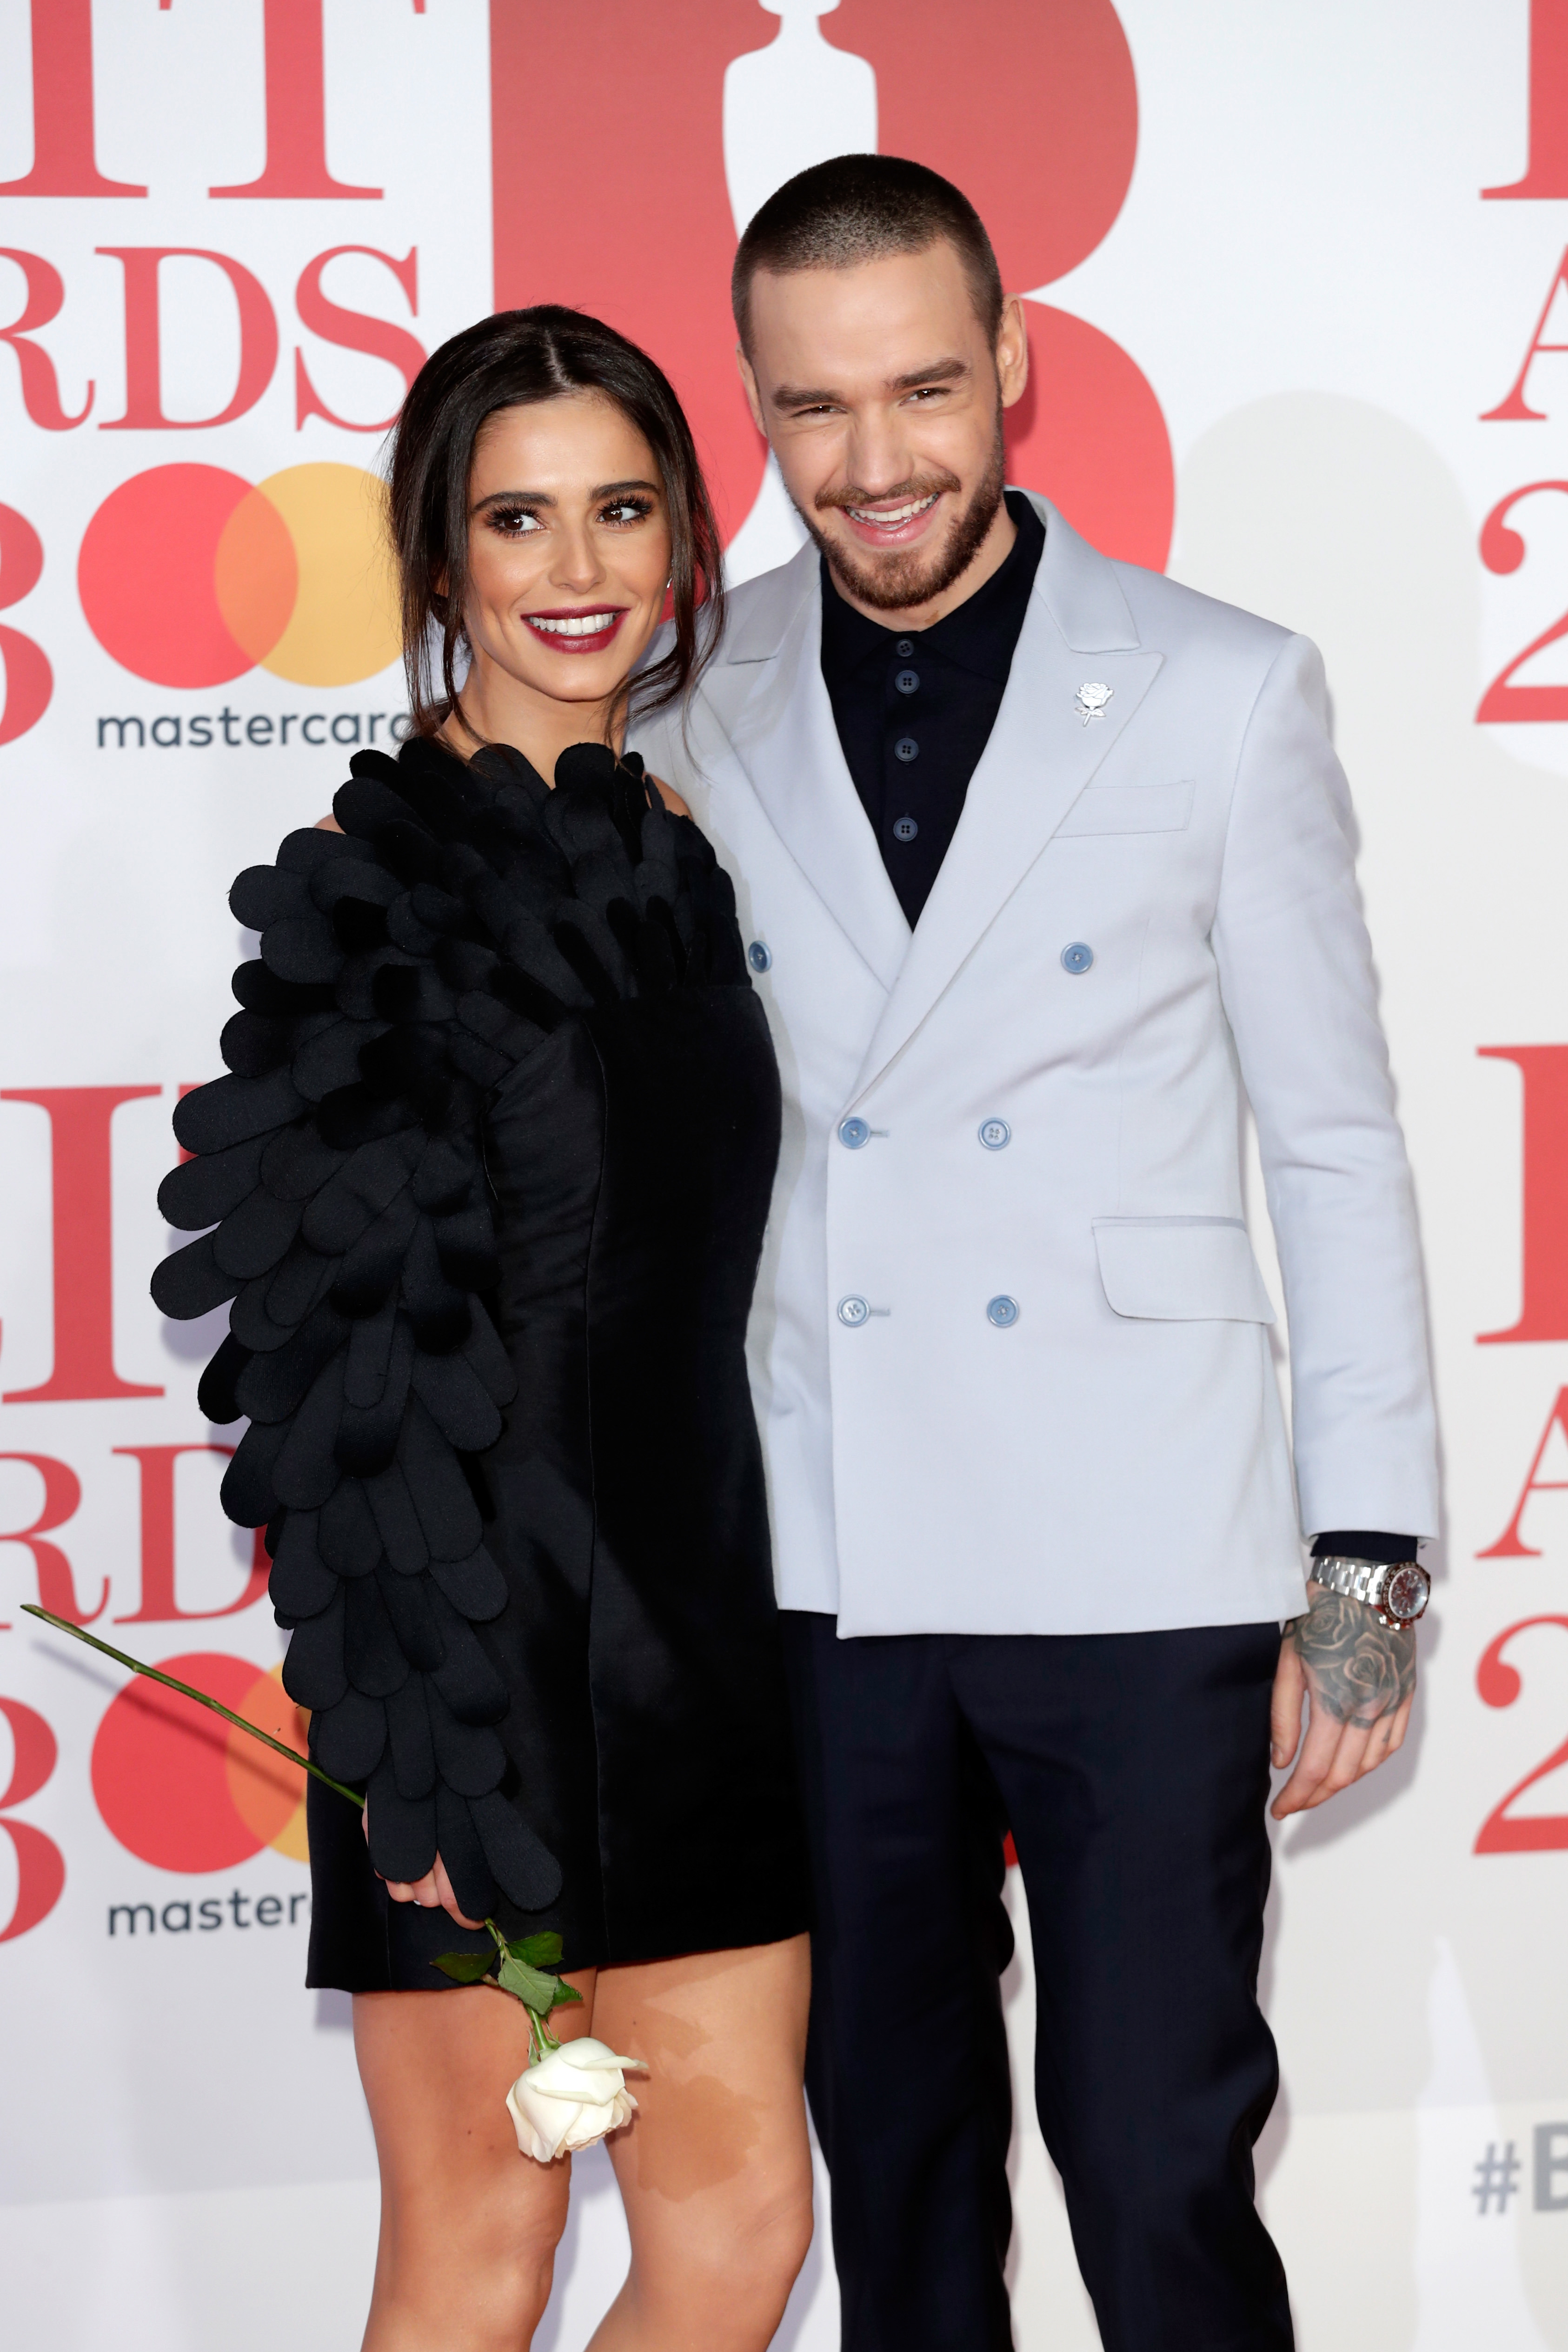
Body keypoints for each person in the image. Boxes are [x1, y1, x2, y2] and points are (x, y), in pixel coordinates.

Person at [630, 155, 1439, 2352]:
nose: (876, 464)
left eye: (921, 389)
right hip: (830, 1544)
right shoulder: (688, 695)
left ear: (1016, 368)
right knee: (890, 2173)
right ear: (757, 409)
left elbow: (1339, 1143)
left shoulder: (1221, 688)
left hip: (1145, 1549)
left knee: (1157, 2154)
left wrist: (1364, 1568)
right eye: (814, 411)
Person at [153, 306, 813, 2352]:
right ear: (440, 561)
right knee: (477, 2258)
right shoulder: (375, 898)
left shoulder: (686, 855)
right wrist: (421, 1740)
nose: (577, 566)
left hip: (704, 1650)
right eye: (517, 520)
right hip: (479, 1676)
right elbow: (342, 1356)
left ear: (689, 534)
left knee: (737, 2240)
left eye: (621, 507)